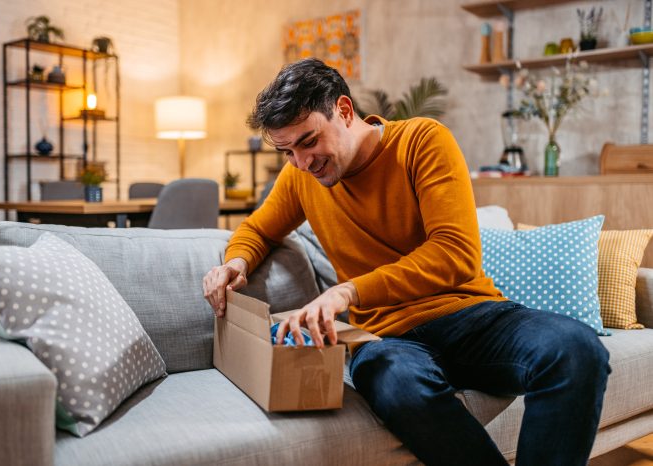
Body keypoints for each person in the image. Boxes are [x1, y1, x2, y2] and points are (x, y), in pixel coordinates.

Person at [202, 58, 610, 466]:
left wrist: (349, 290)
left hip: (467, 317)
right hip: (385, 339)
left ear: (344, 111)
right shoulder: (299, 177)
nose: (302, 162)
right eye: (287, 151)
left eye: (308, 142)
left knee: (576, 349)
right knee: (397, 383)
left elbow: (455, 252)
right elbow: (258, 230)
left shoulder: (421, 141)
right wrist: (236, 263)